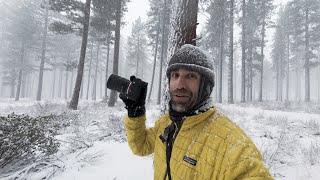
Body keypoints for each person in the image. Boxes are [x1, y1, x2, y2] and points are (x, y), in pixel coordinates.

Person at [120, 44, 273, 180]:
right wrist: (136, 114)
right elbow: (141, 146)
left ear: (206, 86)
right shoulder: (166, 123)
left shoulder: (231, 142)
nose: (180, 84)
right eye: (175, 75)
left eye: (190, 76)